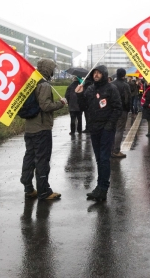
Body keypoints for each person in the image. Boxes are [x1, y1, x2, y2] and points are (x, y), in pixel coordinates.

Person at [20, 59, 67, 200]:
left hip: (29, 128)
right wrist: (61, 103)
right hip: (42, 128)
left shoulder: (31, 82)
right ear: (48, 69)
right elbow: (45, 106)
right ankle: (44, 191)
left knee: (29, 157)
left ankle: (28, 187)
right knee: (42, 159)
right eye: (52, 69)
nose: (53, 71)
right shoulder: (44, 85)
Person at [76, 64, 122, 201]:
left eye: (99, 73)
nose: (96, 75)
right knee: (98, 158)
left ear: (104, 74)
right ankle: (99, 187)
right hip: (94, 129)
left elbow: (117, 108)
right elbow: (83, 106)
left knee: (104, 158)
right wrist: (79, 95)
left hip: (106, 130)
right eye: (94, 73)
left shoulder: (111, 88)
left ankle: (103, 188)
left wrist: (109, 125)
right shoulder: (90, 89)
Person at [111, 68, 132, 157]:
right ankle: (116, 151)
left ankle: (110, 149)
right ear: (124, 75)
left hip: (112, 110)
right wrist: (128, 109)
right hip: (122, 110)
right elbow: (128, 99)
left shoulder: (111, 84)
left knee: (112, 130)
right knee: (119, 130)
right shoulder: (125, 85)